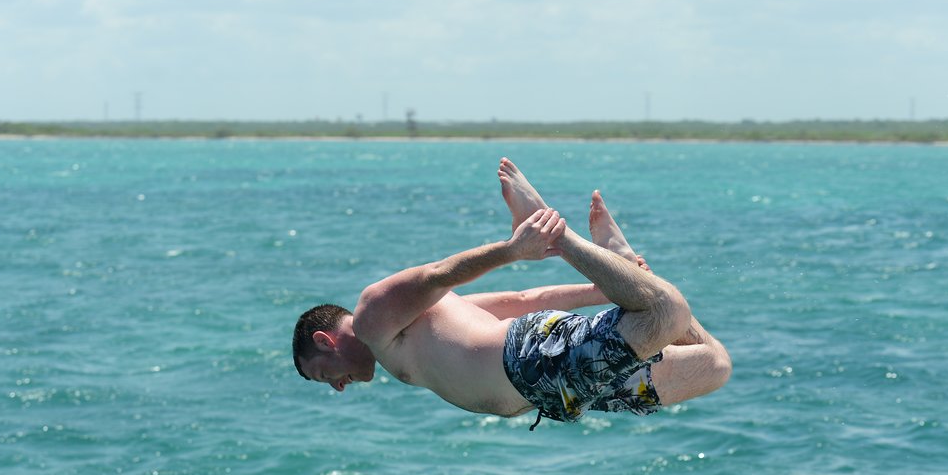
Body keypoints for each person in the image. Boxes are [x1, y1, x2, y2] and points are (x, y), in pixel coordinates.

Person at [292, 158, 731, 428]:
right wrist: (601, 289)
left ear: (324, 341)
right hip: (560, 393)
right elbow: (521, 302)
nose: (338, 388)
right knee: (714, 365)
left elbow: (437, 275)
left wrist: (514, 249)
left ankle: (563, 238)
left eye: (323, 376)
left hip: (536, 362)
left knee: (667, 310)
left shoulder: (371, 317)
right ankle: (618, 259)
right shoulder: (409, 333)